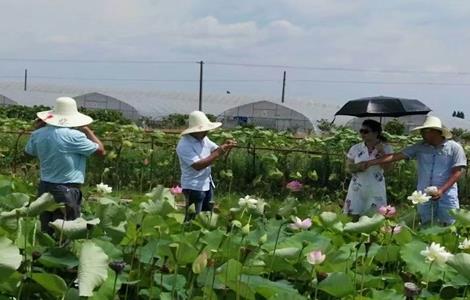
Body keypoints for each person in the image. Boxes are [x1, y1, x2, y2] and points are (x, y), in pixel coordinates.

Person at [357, 116, 467, 225]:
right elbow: (396, 156)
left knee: (449, 225)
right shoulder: (419, 147)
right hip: (423, 195)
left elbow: (458, 171)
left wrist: (442, 190)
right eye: (421, 131)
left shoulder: (454, 148)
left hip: (447, 195)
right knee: (426, 225)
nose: (422, 134)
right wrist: (371, 163)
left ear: (436, 131)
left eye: (425, 131)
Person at [25, 97, 105, 234]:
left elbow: (28, 152)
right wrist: (87, 130)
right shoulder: (74, 136)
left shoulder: (37, 134)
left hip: (44, 187)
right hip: (67, 189)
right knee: (66, 233)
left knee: (47, 231)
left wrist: (38, 129)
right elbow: (100, 151)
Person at [176, 111, 236, 220]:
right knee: (193, 219)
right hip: (193, 187)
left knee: (206, 218)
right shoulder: (184, 145)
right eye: (202, 130)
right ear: (194, 131)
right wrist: (219, 152)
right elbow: (198, 165)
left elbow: (215, 150)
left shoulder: (204, 139)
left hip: (207, 183)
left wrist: (225, 146)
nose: (206, 132)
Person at [343, 119, 393, 218]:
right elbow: (348, 168)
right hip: (357, 187)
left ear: (376, 133)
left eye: (366, 131)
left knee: (375, 217)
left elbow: (388, 169)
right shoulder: (355, 148)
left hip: (376, 187)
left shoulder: (387, 148)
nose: (362, 134)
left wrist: (382, 153)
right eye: (361, 131)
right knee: (353, 216)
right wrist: (358, 167)